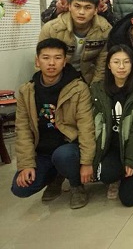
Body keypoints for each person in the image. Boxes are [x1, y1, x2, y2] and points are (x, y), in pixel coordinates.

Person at [11, 38, 95, 209]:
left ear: (64, 62)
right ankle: (55, 177)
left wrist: (87, 162)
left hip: (68, 148)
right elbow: (23, 130)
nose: (51, 63)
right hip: (42, 152)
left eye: (57, 58)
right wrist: (26, 164)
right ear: (37, 61)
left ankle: (76, 185)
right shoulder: (27, 91)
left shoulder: (78, 88)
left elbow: (86, 127)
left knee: (63, 156)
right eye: (46, 58)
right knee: (20, 188)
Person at [91, 45, 133, 206]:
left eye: (126, 62)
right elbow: (96, 125)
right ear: (109, 65)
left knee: (129, 199)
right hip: (113, 148)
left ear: (132, 65)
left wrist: (132, 161)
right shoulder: (98, 90)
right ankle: (117, 174)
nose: (121, 67)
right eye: (116, 62)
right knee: (102, 174)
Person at [39, 0, 111, 85]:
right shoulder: (51, 28)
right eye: (77, 6)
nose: (81, 12)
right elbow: (42, 60)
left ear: (95, 10)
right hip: (58, 77)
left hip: (88, 77)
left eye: (88, 7)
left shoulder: (105, 29)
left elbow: (102, 64)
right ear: (69, 7)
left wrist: (96, 88)